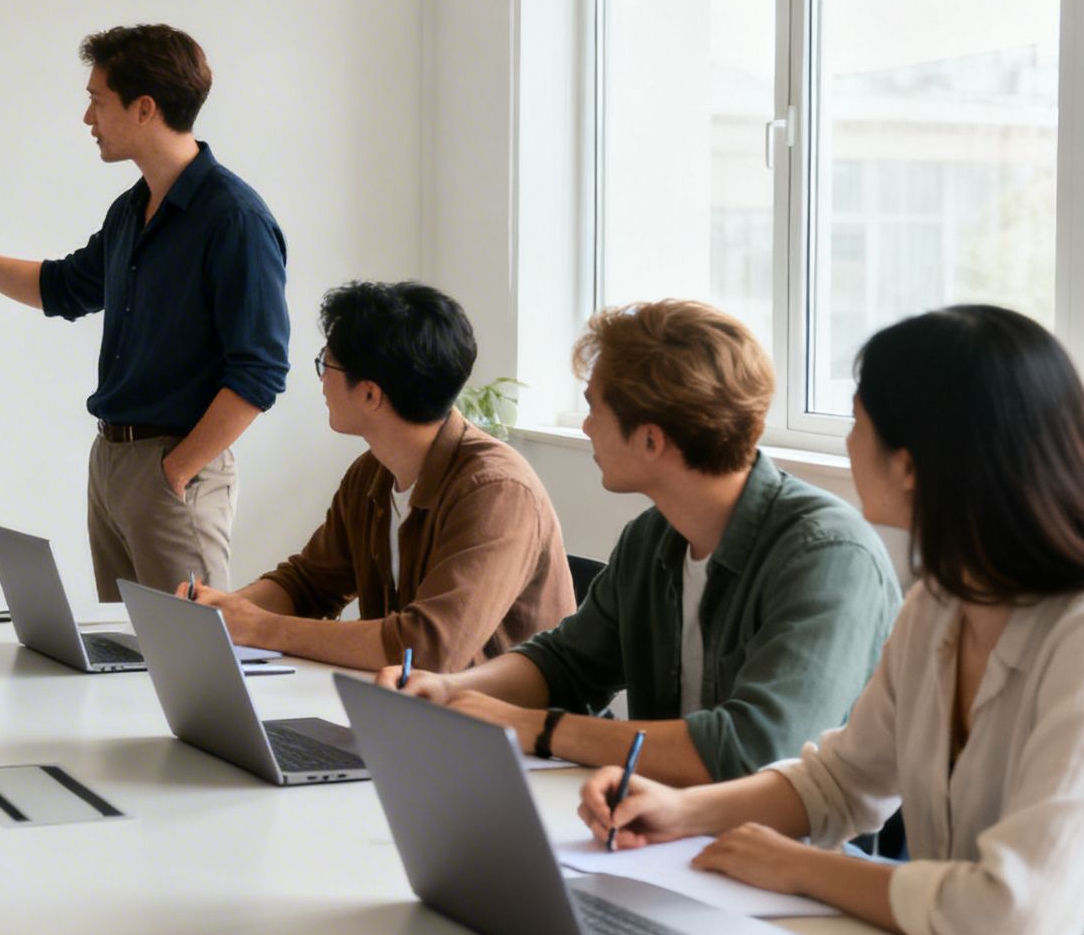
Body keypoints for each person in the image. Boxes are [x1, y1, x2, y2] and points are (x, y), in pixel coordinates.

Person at [579, 306, 1084, 935]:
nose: (848, 445)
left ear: (908, 465)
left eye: (856, 423)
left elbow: (1016, 917)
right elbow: (843, 781)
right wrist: (678, 811)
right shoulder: (938, 607)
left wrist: (800, 867)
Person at [375, 299, 900, 785]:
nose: (584, 427)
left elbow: (751, 750)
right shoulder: (653, 536)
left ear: (651, 440)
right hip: (666, 834)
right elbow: (567, 663)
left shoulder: (827, 555)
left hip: (793, 867)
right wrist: (451, 691)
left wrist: (529, 726)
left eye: (593, 408)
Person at [0, 24, 288, 601]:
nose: (87, 118)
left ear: (144, 108)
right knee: (126, 657)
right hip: (113, 463)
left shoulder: (234, 218)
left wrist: (175, 471)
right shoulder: (131, 210)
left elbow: (260, 373)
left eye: (97, 100)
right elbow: (63, 288)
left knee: (193, 663)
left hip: (175, 470)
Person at [180, 281, 572, 670]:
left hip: (497, 725)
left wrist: (263, 629)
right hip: (410, 710)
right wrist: (222, 611)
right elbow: (308, 583)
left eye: (326, 364)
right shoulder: (372, 472)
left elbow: (428, 647)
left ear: (370, 394)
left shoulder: (497, 491)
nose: (321, 379)